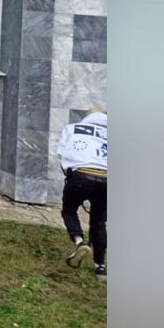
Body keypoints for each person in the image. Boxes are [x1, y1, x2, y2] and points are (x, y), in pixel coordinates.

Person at [58, 108, 107, 280]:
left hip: (81, 176)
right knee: (99, 223)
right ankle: (100, 268)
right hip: (107, 179)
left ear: (87, 118)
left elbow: (62, 154)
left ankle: (80, 242)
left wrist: (69, 174)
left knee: (69, 210)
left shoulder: (72, 129)